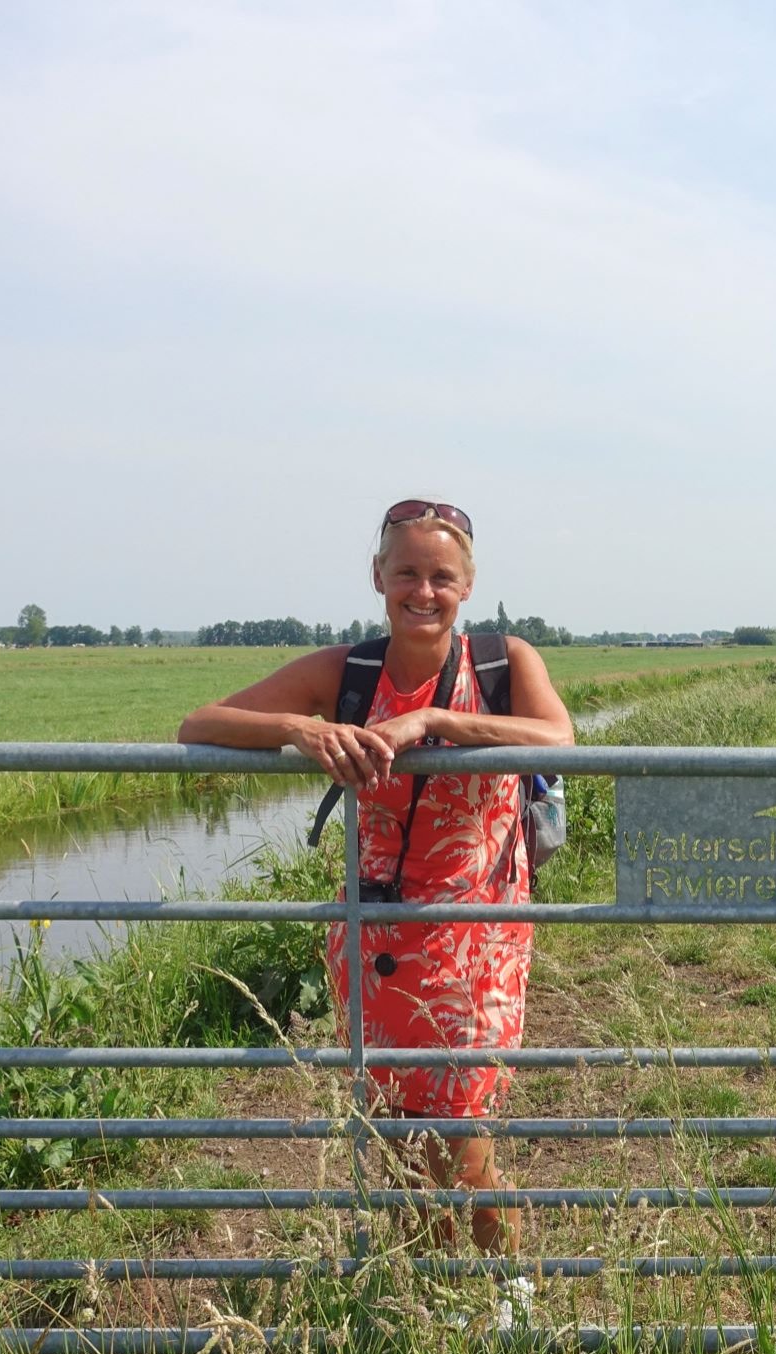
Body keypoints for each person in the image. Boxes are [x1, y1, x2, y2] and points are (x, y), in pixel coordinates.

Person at [177, 497, 573, 1252]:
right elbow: (199, 723)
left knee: (461, 1132)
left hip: (476, 938)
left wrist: (432, 723)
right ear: (377, 576)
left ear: (468, 583)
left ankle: (503, 1289)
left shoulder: (502, 661)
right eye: (407, 573)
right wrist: (302, 727)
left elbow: (558, 735)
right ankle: (423, 1283)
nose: (423, 591)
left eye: (441, 576)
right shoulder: (350, 670)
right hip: (375, 941)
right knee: (395, 1129)